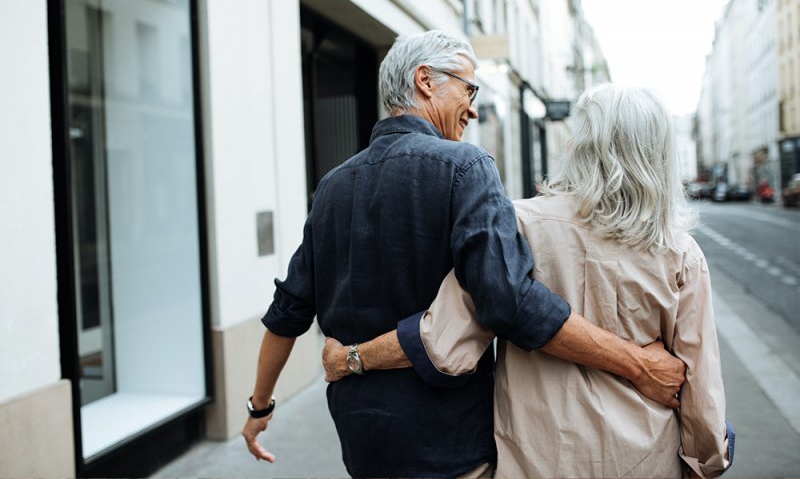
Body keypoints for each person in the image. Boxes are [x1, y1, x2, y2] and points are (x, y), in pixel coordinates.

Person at [242, 31, 686, 478]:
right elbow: (508, 302)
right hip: (448, 444)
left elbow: (288, 310)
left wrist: (259, 406)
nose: (473, 107)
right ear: (425, 81)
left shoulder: (333, 186)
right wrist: (638, 364)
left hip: (362, 441)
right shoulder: (466, 167)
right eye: (468, 89)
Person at [324, 84, 734, 478]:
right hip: (646, 456)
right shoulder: (678, 250)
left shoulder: (516, 224)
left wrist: (351, 358)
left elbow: (443, 343)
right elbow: (701, 383)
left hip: (538, 458)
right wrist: (706, 461)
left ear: (578, 146)